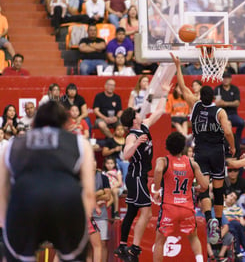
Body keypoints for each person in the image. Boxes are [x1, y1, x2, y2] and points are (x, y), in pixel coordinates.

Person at [0, 101, 95, 262]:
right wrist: (79, 224)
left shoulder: (12, 144)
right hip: (66, 203)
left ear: (35, 122)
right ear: (66, 122)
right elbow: (89, 193)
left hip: (24, 203)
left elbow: (2, 190)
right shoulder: (80, 143)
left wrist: (6, 224)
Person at [171, 53, 236, 245]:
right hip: (217, 152)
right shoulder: (220, 111)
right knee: (218, 191)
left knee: (202, 189)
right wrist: (231, 146)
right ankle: (218, 218)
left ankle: (210, 220)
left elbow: (182, 87)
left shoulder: (195, 105)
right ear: (214, 98)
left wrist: (178, 67)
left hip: (200, 152)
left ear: (201, 96)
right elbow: (228, 132)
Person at [113, 81, 171, 261]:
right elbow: (124, 154)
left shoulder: (144, 124)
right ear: (133, 120)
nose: (140, 114)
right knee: (147, 213)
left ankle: (122, 246)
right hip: (136, 176)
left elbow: (159, 112)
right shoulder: (131, 135)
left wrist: (165, 94)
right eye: (136, 114)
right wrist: (137, 143)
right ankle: (135, 248)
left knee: (131, 211)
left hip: (139, 176)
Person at [152, 132, 208, 262]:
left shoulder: (163, 161)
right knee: (193, 237)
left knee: (160, 241)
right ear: (183, 147)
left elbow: (159, 170)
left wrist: (157, 187)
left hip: (169, 208)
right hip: (187, 208)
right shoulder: (192, 163)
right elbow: (205, 186)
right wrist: (194, 188)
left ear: (167, 146)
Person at [214, 72, 244, 157]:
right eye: (224, 78)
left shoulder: (235, 89)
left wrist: (225, 103)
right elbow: (217, 103)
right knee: (222, 125)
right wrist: (229, 103)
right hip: (221, 114)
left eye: (227, 78)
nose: (225, 79)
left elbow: (237, 103)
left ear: (230, 79)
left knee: (241, 123)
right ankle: (222, 142)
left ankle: (236, 140)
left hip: (232, 114)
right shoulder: (217, 89)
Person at [222, 191, 245, 258]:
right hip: (227, 224)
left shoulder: (237, 208)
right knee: (236, 227)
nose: (232, 198)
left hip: (237, 225)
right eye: (231, 196)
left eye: (234, 198)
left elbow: (242, 223)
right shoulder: (221, 206)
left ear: (235, 201)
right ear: (226, 196)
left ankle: (238, 251)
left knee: (237, 228)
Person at [93, 164, 112, 262]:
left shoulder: (103, 178)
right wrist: (99, 193)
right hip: (87, 215)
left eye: (94, 161)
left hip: (101, 215)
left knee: (103, 242)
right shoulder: (82, 177)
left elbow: (108, 196)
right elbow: (82, 195)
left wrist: (92, 196)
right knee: (88, 245)